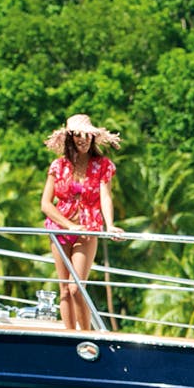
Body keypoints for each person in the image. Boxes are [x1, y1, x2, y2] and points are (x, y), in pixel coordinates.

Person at [40, 113, 124, 331]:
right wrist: (69, 225)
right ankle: (70, 336)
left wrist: (110, 224)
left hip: (88, 230)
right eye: (78, 135)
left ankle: (86, 335)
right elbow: (46, 204)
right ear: (70, 138)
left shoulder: (103, 165)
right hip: (60, 229)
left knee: (76, 286)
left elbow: (105, 197)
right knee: (64, 290)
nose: (83, 140)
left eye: (87, 136)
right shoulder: (58, 166)